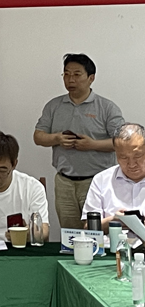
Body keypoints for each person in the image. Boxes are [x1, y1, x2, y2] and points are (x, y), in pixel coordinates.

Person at [34, 53, 124, 230]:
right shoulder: (54, 106)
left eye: (76, 74)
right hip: (64, 182)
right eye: (66, 74)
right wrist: (57, 138)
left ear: (91, 78)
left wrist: (93, 145)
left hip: (97, 182)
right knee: (70, 234)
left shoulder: (107, 107)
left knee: (97, 232)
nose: (70, 79)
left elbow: (122, 142)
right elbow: (38, 136)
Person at [82, 123, 145, 232]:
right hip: (111, 242)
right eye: (123, 157)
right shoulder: (101, 180)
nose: (131, 164)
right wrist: (112, 221)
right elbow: (88, 228)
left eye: (137, 156)